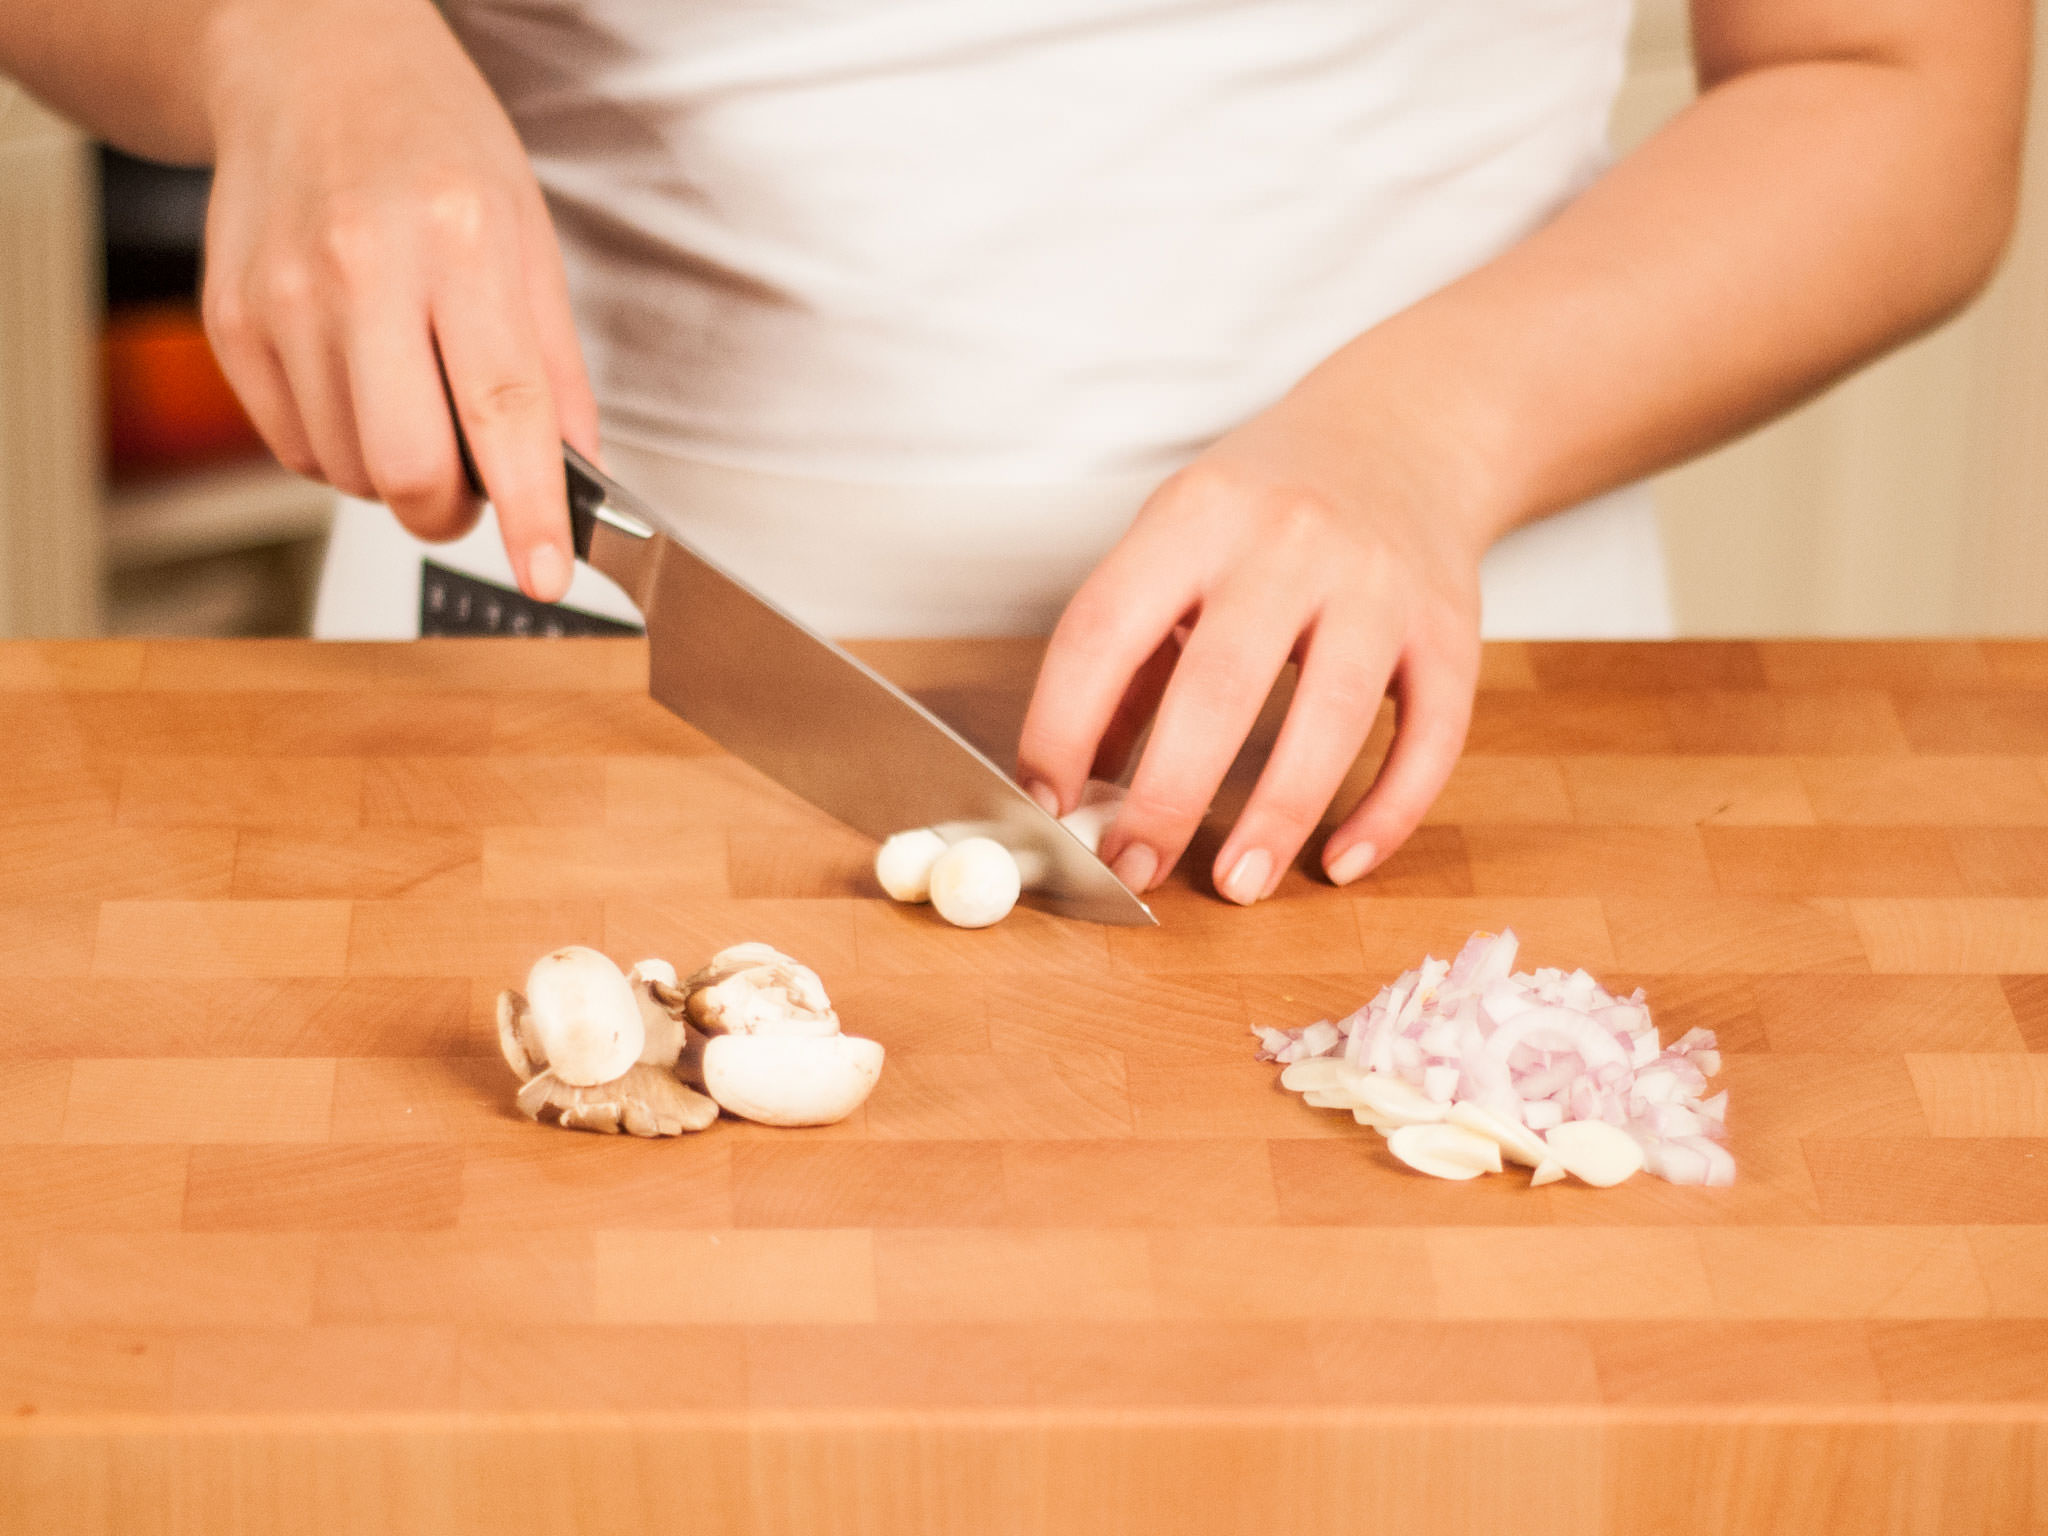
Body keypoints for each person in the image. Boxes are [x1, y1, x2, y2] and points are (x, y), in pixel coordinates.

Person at [5, 0, 2028, 905]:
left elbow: (1899, 88)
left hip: (1410, 742)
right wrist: (291, 40)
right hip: (537, 657)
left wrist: (1427, 432)